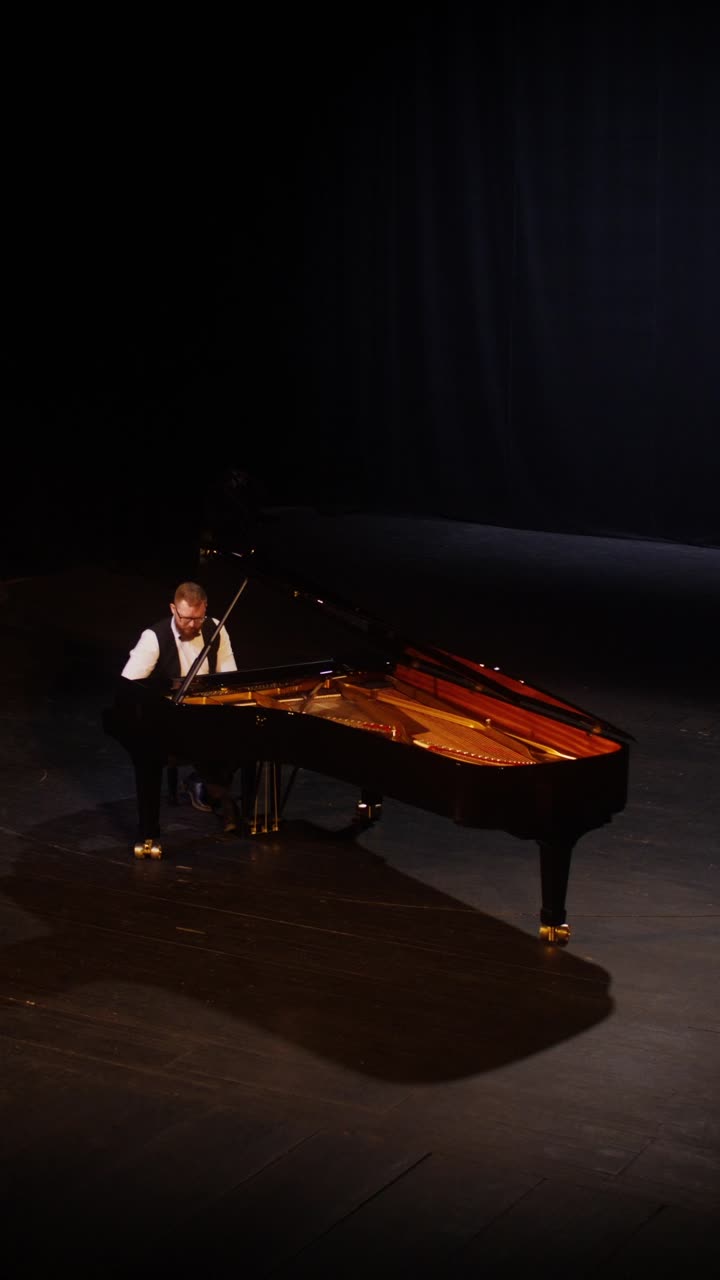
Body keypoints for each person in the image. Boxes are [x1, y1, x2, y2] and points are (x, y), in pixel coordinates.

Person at [120, 580, 241, 844]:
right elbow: (129, 685)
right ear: (173, 609)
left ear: (205, 609)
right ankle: (209, 795)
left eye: (198, 618)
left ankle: (208, 786)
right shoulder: (154, 638)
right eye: (185, 618)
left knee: (244, 740)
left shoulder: (215, 628)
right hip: (168, 718)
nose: (192, 625)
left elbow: (229, 677)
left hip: (207, 711)